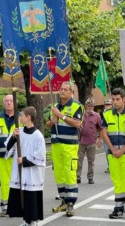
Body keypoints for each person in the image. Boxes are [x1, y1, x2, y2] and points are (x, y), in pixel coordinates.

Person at [101, 88, 125, 221]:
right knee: (117, 181)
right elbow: (104, 133)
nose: (115, 102)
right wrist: (112, 149)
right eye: (113, 99)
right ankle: (118, 209)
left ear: (124, 100)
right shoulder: (106, 114)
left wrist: (122, 150)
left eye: (118, 99)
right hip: (113, 154)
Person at [46, 81, 83, 217]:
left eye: (65, 90)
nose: (62, 91)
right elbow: (48, 125)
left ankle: (71, 204)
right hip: (56, 145)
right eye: (61, 89)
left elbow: (77, 123)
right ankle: (63, 201)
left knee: (69, 174)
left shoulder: (77, 106)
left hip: (69, 146)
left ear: (71, 92)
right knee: (59, 175)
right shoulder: (55, 106)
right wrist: (53, 119)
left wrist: (61, 116)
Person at [5, 106, 46, 226]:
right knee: (21, 196)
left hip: (32, 173)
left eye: (21, 115)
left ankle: (33, 221)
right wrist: (13, 137)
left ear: (28, 117)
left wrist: (24, 159)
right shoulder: (19, 131)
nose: (19, 117)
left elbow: (40, 155)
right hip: (20, 172)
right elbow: (9, 147)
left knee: (30, 197)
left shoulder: (38, 135)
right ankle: (25, 220)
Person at [0, 94, 23, 217]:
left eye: (11, 101)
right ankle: (5, 207)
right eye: (7, 101)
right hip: (3, 155)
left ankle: (19, 206)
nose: (9, 103)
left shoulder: (22, 117)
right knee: (4, 181)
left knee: (19, 180)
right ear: (3, 103)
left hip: (17, 155)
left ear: (15, 103)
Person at [77, 98, 102, 184]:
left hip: (92, 141)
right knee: (78, 160)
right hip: (81, 141)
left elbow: (100, 128)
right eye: (88, 105)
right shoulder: (81, 114)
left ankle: (90, 177)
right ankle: (77, 177)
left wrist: (99, 139)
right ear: (85, 105)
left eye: (92, 106)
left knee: (91, 161)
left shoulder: (97, 116)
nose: (90, 107)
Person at [100, 99, 113, 173]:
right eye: (106, 104)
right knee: (107, 152)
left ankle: (112, 166)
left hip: (111, 136)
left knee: (111, 152)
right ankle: (109, 166)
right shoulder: (102, 113)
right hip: (105, 136)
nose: (107, 106)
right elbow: (101, 126)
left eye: (109, 104)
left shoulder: (113, 112)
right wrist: (100, 138)